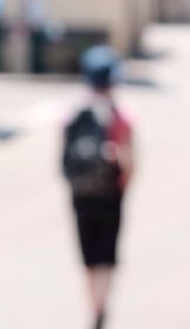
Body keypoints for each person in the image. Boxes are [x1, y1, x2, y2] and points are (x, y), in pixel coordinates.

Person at [62, 46, 134, 329]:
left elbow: (64, 159)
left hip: (80, 195)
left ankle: (93, 307)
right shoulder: (121, 115)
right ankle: (103, 308)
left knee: (89, 259)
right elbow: (129, 162)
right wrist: (122, 185)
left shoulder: (73, 113)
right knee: (107, 256)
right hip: (110, 194)